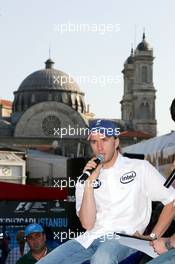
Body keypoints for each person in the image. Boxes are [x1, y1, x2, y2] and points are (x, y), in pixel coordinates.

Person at [37, 119, 175, 264]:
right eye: (94, 142)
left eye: (104, 140)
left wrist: (153, 236)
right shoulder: (85, 178)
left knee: (102, 259)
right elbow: (88, 224)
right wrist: (89, 184)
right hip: (89, 238)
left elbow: (171, 200)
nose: (99, 147)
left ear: (116, 143)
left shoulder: (140, 168)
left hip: (124, 238)